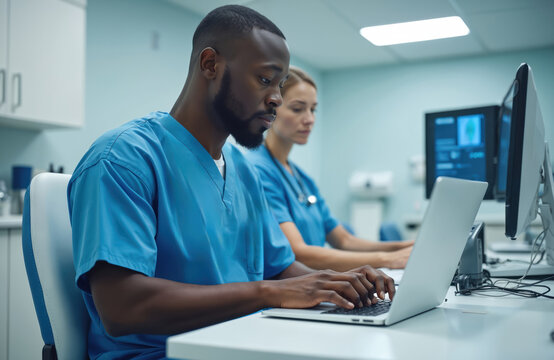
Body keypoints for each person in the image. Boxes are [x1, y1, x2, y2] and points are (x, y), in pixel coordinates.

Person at [68, 6, 394, 360]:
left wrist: (335, 286)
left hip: (247, 341)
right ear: (210, 65)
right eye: (265, 80)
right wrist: (265, 293)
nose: (276, 99)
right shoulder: (124, 159)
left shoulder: (243, 170)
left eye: (280, 85)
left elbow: (281, 269)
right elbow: (122, 308)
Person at [246, 67, 414, 272]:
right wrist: (387, 259)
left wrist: (404, 247)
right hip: (288, 289)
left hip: (313, 283)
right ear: (271, 108)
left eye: (313, 109)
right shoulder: (257, 170)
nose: (309, 119)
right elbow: (298, 252)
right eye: (298, 109)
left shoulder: (302, 178)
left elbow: (343, 240)